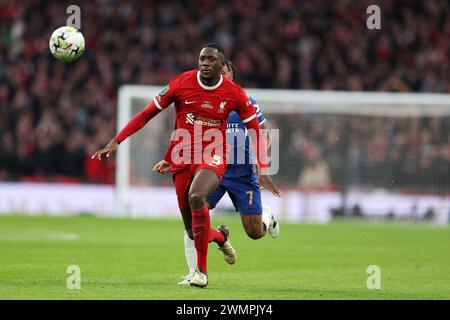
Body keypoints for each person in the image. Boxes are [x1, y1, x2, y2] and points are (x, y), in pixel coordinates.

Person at [91, 43, 280, 288]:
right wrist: (118, 141)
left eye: (214, 61)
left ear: (226, 68)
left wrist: (262, 166)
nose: (207, 64)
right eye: (202, 59)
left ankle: (201, 272)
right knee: (193, 229)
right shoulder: (181, 83)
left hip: (225, 162)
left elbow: (259, 130)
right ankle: (217, 241)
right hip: (184, 157)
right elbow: (150, 115)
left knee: (205, 202)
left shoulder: (237, 95)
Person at [153, 59, 280, 285]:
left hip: (242, 173)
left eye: (224, 70)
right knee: (194, 217)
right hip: (212, 167)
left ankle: (266, 217)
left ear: (231, 75)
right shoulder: (204, 101)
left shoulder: (245, 101)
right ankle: (195, 272)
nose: (219, 73)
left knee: (254, 232)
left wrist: (261, 162)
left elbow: (264, 134)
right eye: (217, 70)